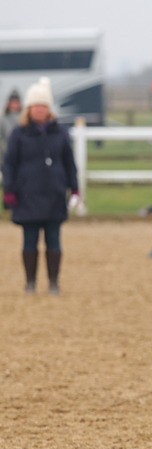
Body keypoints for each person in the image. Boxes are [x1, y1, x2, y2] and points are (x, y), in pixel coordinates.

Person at [2, 78, 78, 295]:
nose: (40, 110)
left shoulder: (60, 133)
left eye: (43, 106)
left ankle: (53, 282)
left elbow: (69, 162)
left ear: (49, 109)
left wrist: (74, 188)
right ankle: (30, 282)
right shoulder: (19, 134)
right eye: (36, 106)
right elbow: (9, 163)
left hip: (54, 194)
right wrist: (9, 190)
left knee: (54, 240)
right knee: (29, 241)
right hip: (27, 195)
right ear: (29, 109)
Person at [0, 90, 20, 155]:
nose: (14, 105)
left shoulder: (23, 119)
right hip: (6, 151)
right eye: (12, 102)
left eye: (16, 102)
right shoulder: (3, 119)